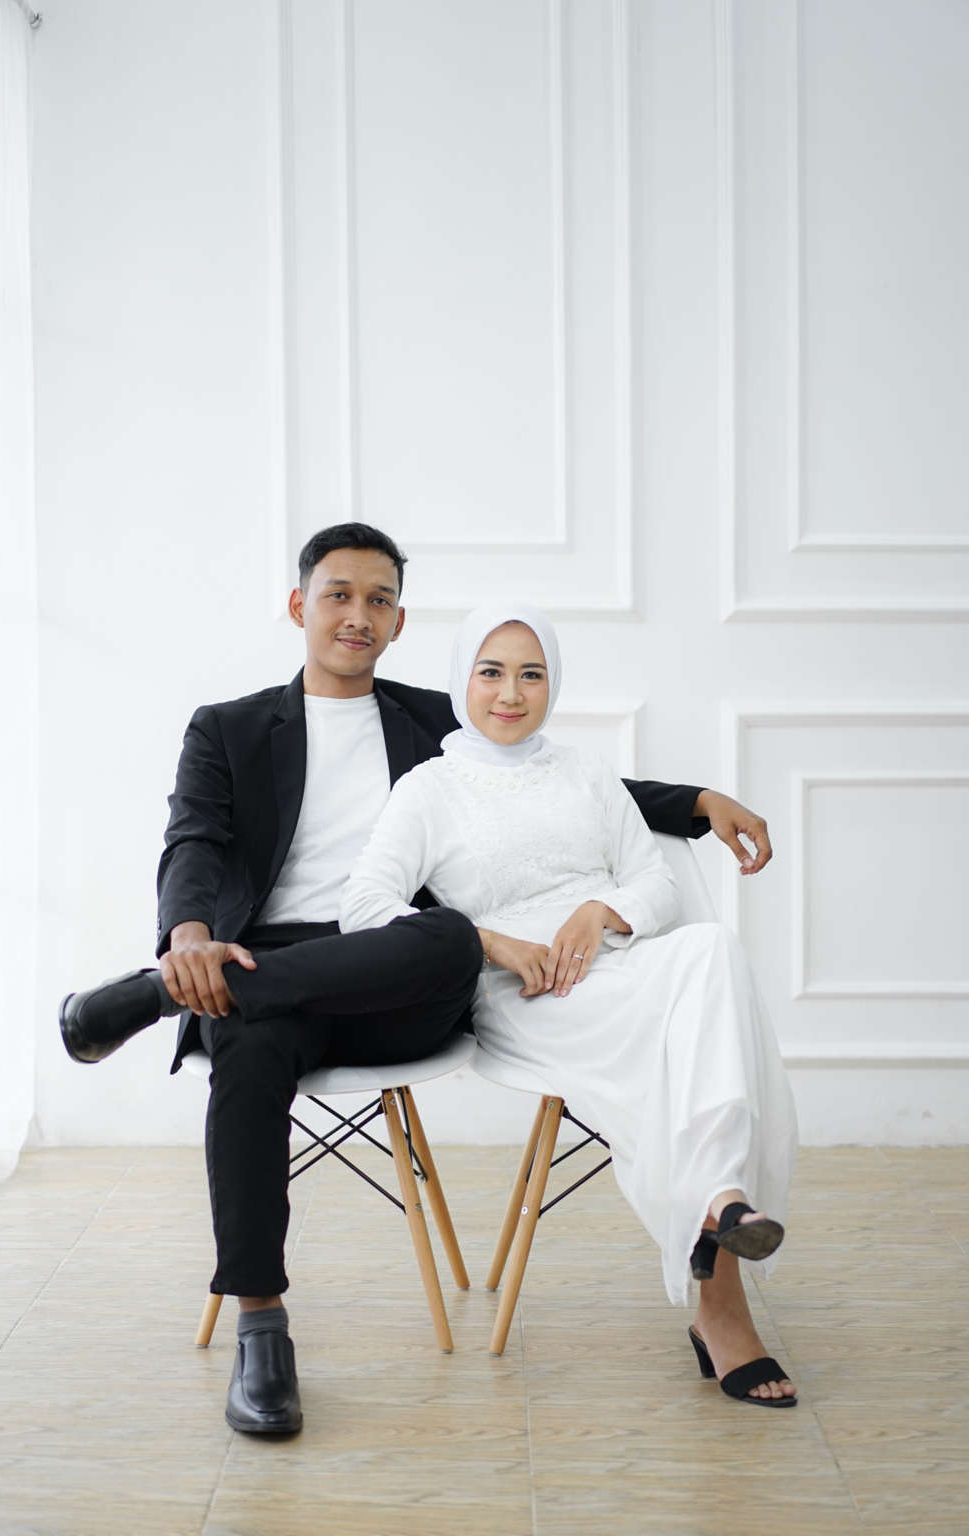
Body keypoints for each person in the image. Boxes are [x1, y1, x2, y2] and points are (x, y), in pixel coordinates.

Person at [58, 525, 777, 1434]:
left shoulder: (432, 717)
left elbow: (546, 780)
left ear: (399, 622)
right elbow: (193, 842)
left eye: (380, 600)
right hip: (259, 969)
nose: (358, 616)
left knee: (448, 937)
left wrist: (700, 803)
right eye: (339, 595)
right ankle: (262, 1329)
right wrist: (191, 941)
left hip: (399, 977)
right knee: (249, 1042)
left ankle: (150, 998)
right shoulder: (228, 728)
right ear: (300, 605)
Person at [340, 605, 799, 1407]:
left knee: (712, 949)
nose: (511, 694)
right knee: (691, 1042)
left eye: (532, 674)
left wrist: (601, 911)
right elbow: (364, 906)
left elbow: (654, 883)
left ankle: (719, 1200)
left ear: (553, 683)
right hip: (527, 993)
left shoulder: (586, 773)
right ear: (460, 680)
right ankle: (721, 1284)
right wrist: (487, 942)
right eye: (491, 672)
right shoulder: (429, 789)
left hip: (621, 964)